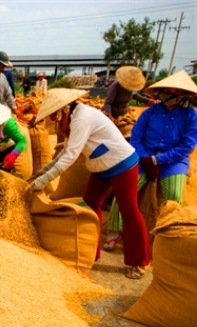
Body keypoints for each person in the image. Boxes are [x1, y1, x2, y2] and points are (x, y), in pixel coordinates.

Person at [28, 88, 150, 279]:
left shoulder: (82, 118)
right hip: (101, 167)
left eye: (54, 116)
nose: (54, 121)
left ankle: (140, 262)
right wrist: (39, 175)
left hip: (122, 164)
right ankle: (91, 253)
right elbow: (64, 151)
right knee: (90, 204)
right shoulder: (73, 116)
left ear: (62, 110)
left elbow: (71, 155)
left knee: (129, 210)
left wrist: (44, 181)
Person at [103, 70, 197, 256]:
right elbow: (136, 138)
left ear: (181, 96)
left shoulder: (191, 116)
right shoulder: (150, 113)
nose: (165, 95)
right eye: (163, 90)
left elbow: (186, 146)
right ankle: (114, 231)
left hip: (174, 162)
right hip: (143, 157)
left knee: (172, 197)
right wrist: (146, 158)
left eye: (171, 91)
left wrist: (158, 160)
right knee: (124, 191)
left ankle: (165, 239)